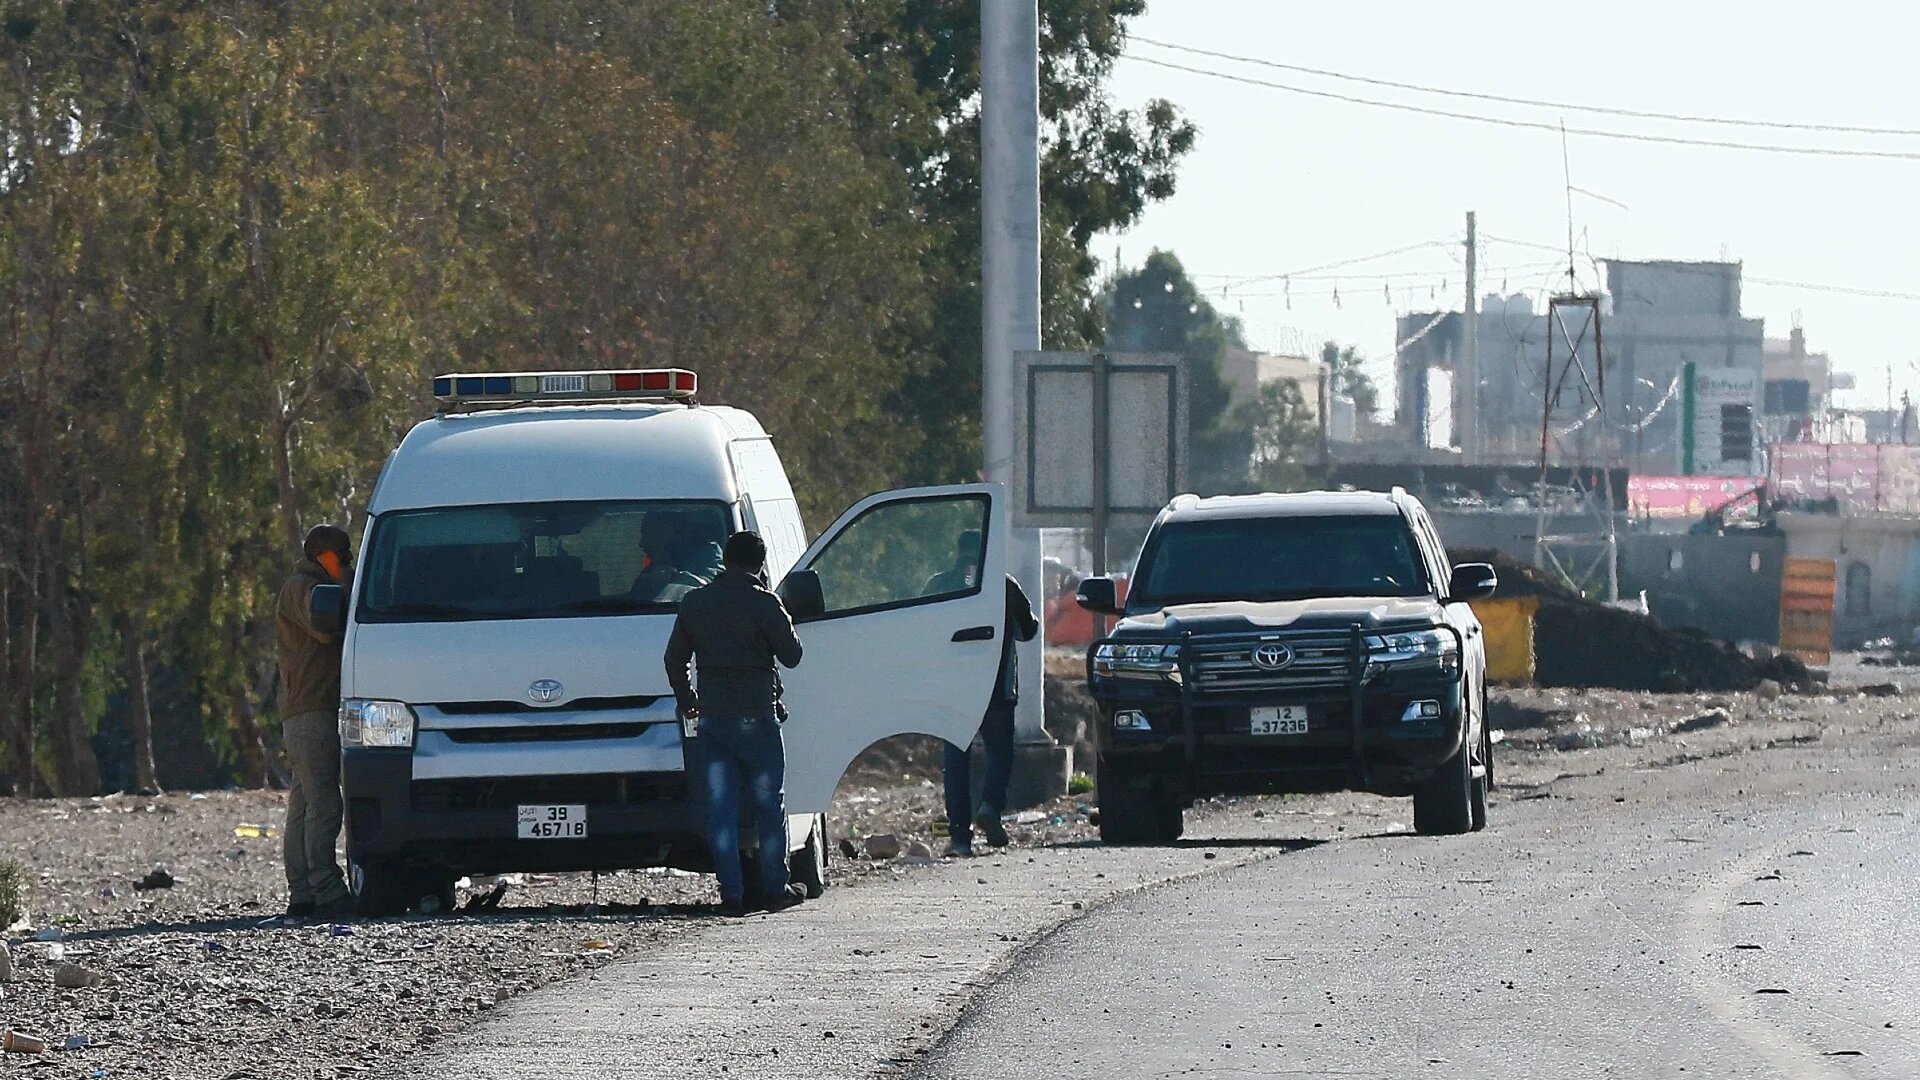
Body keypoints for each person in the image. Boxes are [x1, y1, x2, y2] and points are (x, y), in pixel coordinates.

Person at [664, 531, 807, 915]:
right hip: (757, 718)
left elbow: (674, 660)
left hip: (713, 720)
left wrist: (688, 701)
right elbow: (792, 655)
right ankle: (775, 888)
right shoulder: (765, 602)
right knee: (769, 805)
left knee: (721, 809)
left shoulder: (695, 603)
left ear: (725, 560)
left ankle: (731, 894)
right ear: (759, 564)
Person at [928, 532, 1040, 857]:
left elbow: (921, 628)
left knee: (956, 760)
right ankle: (990, 806)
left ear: (957, 552)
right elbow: (1029, 630)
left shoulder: (939, 584)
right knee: (1000, 750)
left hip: (953, 689)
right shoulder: (1004, 584)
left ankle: (960, 838)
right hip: (996, 687)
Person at [275, 523, 354, 919]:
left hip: (311, 708)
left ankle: (303, 893)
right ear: (326, 557)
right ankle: (327, 889)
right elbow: (325, 630)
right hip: (311, 710)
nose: (347, 563)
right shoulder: (303, 589)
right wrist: (349, 586)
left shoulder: (310, 585)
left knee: (305, 802)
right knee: (323, 802)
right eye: (343, 557)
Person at [630, 512, 708, 603]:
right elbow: (634, 603)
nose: (642, 543)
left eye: (649, 534)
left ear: (668, 534)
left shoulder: (707, 563)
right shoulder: (649, 573)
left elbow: (710, 589)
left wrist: (675, 578)